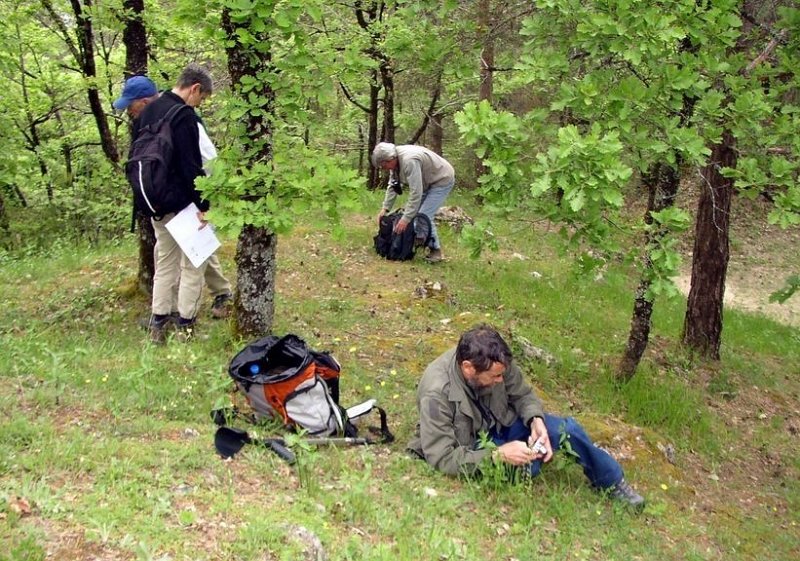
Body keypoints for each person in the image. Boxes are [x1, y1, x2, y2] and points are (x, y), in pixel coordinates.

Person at [408, 325, 646, 510]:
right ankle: (528, 460)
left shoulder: (496, 360)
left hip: (505, 424)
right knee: (525, 468)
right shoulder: (436, 392)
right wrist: (497, 455)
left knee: (568, 429)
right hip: (475, 445)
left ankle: (612, 482)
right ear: (469, 368)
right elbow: (442, 458)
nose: (501, 380)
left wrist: (535, 420)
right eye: (496, 376)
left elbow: (522, 394)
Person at [114, 75, 233, 325]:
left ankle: (159, 320)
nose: (199, 104)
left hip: (156, 204)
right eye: (201, 98)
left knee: (165, 261)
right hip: (184, 203)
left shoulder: (145, 115)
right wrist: (204, 206)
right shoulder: (184, 116)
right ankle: (186, 323)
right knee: (192, 265)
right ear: (194, 88)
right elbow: (193, 167)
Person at [372, 142, 455, 263]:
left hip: (441, 179)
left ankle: (435, 251)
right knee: (414, 215)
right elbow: (393, 186)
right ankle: (418, 241)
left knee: (424, 216)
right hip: (426, 181)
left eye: (384, 166)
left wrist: (405, 219)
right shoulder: (395, 161)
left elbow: (416, 192)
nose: (384, 169)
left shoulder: (409, 161)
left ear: (390, 159)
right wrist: (385, 208)